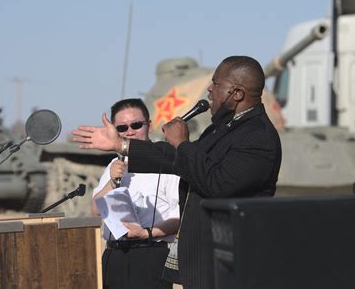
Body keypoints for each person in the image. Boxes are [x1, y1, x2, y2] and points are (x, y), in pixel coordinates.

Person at [72, 56, 282, 289]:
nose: (209, 89)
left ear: (237, 93)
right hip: (205, 260)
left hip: (230, 261)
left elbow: (217, 184)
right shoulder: (223, 128)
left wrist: (182, 144)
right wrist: (122, 145)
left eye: (216, 83)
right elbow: (176, 160)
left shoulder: (257, 135)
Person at [91, 98, 180, 289]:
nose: (129, 131)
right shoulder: (112, 166)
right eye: (122, 128)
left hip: (150, 254)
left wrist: (145, 233)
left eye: (136, 125)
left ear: (149, 125)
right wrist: (112, 181)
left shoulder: (167, 164)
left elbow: (177, 219)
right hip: (114, 255)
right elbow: (96, 210)